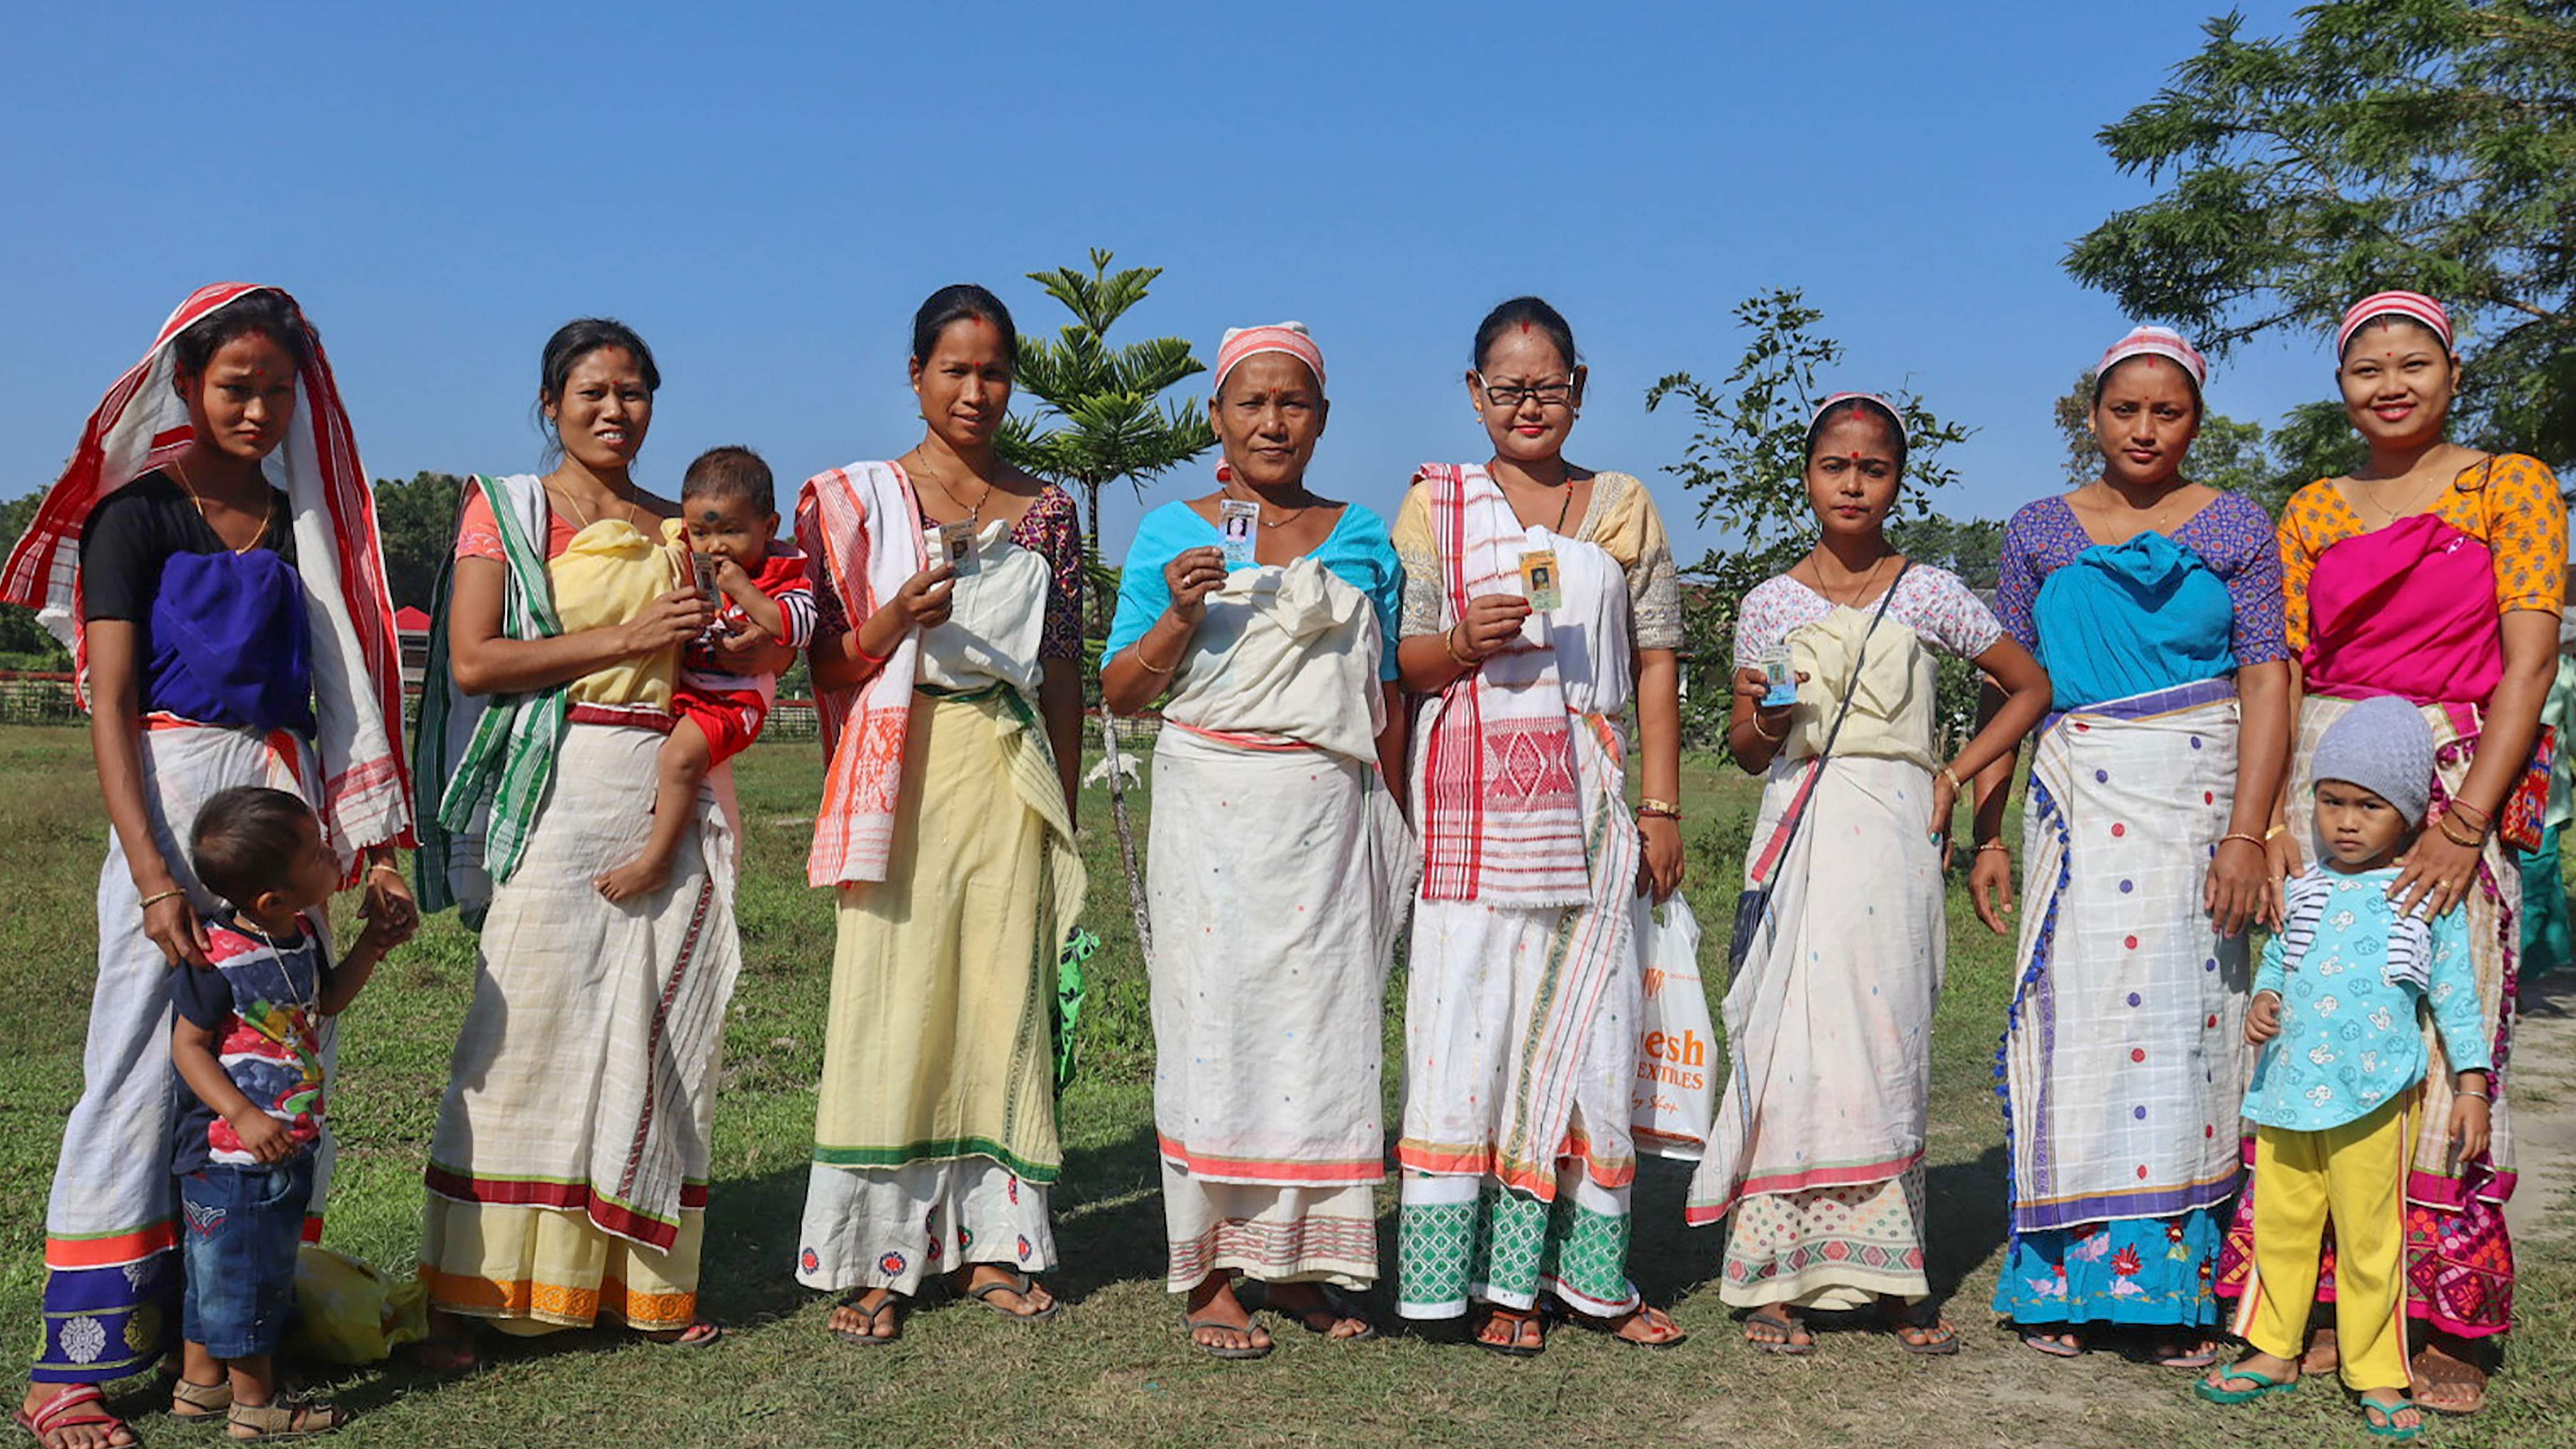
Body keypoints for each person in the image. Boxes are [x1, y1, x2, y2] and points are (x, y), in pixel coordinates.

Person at [3, 285, 414, 1449]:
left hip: (281, 823)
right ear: (184, 387)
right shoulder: (136, 519)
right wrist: (151, 875)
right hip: (174, 817)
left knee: (277, 1053)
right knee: (138, 1065)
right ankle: (71, 1372)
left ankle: (227, 1342)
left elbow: (336, 699)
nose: (259, 408)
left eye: (278, 390)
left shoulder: (303, 524)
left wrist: (366, 850)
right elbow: (115, 707)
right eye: (237, 386)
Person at [2217, 292, 2565, 1415]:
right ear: (2340, 387)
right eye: (2366, 366)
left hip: (2455, 775)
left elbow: (2525, 663)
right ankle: (2311, 1304)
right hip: (2328, 787)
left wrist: (2465, 819)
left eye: (2413, 361)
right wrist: (2269, 820)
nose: (2390, 382)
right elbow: (2281, 672)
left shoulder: (2506, 484)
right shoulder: (2313, 507)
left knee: (2443, 1015)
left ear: (2452, 372)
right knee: (2321, 1009)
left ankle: (2444, 1313)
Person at [413, 319, 760, 1362]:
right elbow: (474, 661)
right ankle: (468, 1296)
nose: (615, 410)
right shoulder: (509, 513)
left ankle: (633, 1286)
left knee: (654, 1038)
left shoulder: (682, 524)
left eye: (635, 391)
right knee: (517, 1034)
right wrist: (626, 638)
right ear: (551, 403)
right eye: (593, 391)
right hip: (555, 791)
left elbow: (725, 663)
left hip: (661, 790)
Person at [1691, 392, 2052, 1355]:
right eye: (1835, 465)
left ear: (1897, 480)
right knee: (1787, 1042)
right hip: (1800, 829)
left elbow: (2028, 685)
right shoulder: (1770, 602)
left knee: (1887, 1044)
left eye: (1874, 467)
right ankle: (1773, 1279)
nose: (1853, 483)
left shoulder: (1928, 591)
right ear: (1808, 475)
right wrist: (1768, 715)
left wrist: (1959, 775)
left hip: (1893, 839)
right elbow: (1744, 747)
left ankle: (1892, 1277)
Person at [1979, 327, 2293, 1367]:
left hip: (2199, 813)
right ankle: (2061, 1278)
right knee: (2078, 1038)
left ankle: (2172, 1295)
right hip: (2079, 813)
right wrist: (1986, 828)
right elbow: (2005, 688)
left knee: (2191, 1035)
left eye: (2169, 412)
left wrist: (2248, 833)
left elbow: (2264, 683)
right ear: (2091, 414)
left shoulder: (2241, 525)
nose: (2146, 429)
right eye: (2126, 409)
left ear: (2196, 420)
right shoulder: (2035, 530)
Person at [1103, 321, 1413, 1360]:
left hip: (1324, 816)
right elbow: (1121, 690)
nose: (1273, 422)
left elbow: (1387, 694)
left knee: (1319, 1031)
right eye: (1253, 403)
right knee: (1214, 1029)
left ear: (1322, 418)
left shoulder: (1364, 533)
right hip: (1211, 810)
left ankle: (1300, 1261)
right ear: (1216, 418)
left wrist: (1400, 818)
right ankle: (1212, 1271)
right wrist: (1179, 617)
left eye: (1294, 404)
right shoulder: (1167, 536)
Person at [1389, 297, 1686, 1355]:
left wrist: (1660, 803)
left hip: (1591, 791)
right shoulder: (1438, 506)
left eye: (1546, 387)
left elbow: (1657, 660)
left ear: (1580, 387)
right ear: (1474, 395)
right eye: (1506, 388)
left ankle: (1581, 1276)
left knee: (1591, 1028)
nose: (1527, 405)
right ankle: (1480, 1284)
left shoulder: (1621, 506)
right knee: (1474, 1019)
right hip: (1471, 797)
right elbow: (1407, 661)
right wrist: (1465, 638)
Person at [793, 285, 1086, 1344]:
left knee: (998, 991)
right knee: (893, 990)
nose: (975, 390)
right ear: (914, 375)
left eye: (994, 370)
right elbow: (821, 659)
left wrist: (1065, 796)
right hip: (897, 764)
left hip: (1008, 772)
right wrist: (890, 621)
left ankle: (995, 1244)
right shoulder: (858, 502)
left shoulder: (1050, 511)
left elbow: (1060, 673)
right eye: (955, 369)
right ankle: (877, 1253)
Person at [2198, 698, 2491, 1441]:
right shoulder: (2301, 885)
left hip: (2376, 1098)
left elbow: (2455, 999)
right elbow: (2278, 962)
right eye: (2332, 801)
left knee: (2371, 1238)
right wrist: (2265, 1000)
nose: (2347, 821)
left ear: (2410, 813)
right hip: (2289, 1093)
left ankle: (2378, 1370)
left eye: (2370, 805)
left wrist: (2471, 1086)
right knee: (2282, 1226)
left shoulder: (2423, 898)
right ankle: (2272, 1348)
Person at [168, 788, 410, 1439]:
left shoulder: (297, 933)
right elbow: (187, 1048)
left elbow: (325, 1001)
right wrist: (243, 1114)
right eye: (315, 852)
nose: (332, 853)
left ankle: (201, 1386)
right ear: (271, 898)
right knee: (248, 1278)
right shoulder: (214, 958)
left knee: (216, 1270)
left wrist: (372, 946)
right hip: (231, 1154)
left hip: (281, 1144)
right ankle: (255, 1405)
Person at [595, 446, 816, 901]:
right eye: (701, 531)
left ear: (769, 527)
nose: (714, 546)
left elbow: (798, 627)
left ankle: (655, 862)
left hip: (734, 701)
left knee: (679, 761)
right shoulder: (689, 563)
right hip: (690, 692)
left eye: (731, 531)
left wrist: (745, 592)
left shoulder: (782, 571)